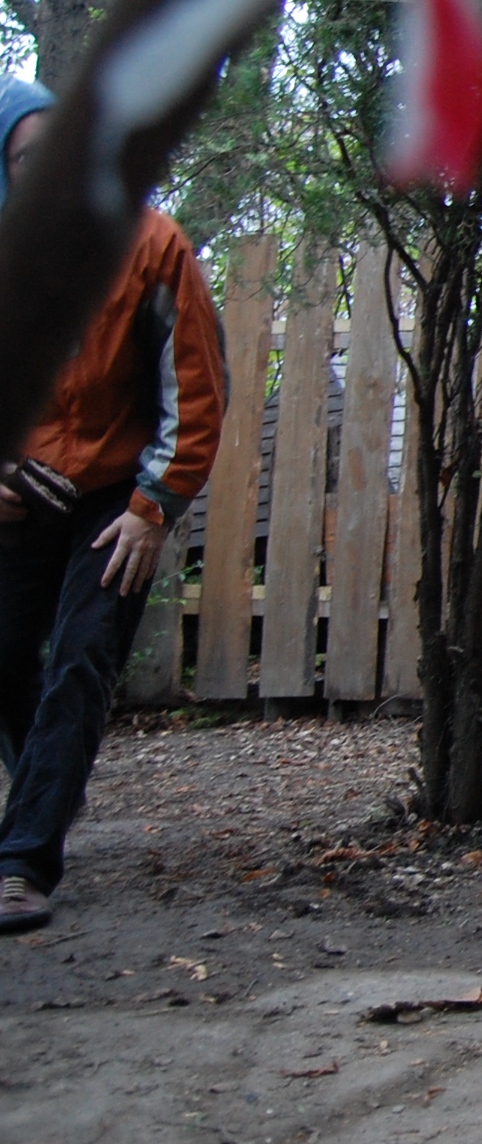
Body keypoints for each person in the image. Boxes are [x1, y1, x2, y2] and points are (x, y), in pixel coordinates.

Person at [0, 78, 228, 935]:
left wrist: (151, 507)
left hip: (114, 503)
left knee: (83, 661)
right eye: (28, 160)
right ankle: (47, 790)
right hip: (20, 495)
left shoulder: (151, 246)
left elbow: (197, 391)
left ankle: (22, 862)